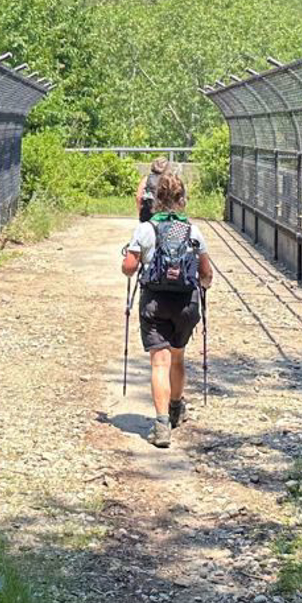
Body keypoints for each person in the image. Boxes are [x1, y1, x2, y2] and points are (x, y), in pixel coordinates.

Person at [121, 170, 214, 448]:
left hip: (154, 302)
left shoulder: (146, 229)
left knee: (158, 363)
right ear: (183, 199)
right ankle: (176, 407)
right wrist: (203, 285)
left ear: (155, 200)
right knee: (177, 358)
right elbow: (206, 273)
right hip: (185, 304)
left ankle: (161, 426)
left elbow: (129, 267)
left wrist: (128, 264)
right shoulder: (193, 230)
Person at [135, 155, 172, 224]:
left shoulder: (146, 179)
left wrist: (141, 212)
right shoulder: (169, 180)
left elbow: (138, 197)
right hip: (164, 217)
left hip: (147, 216)